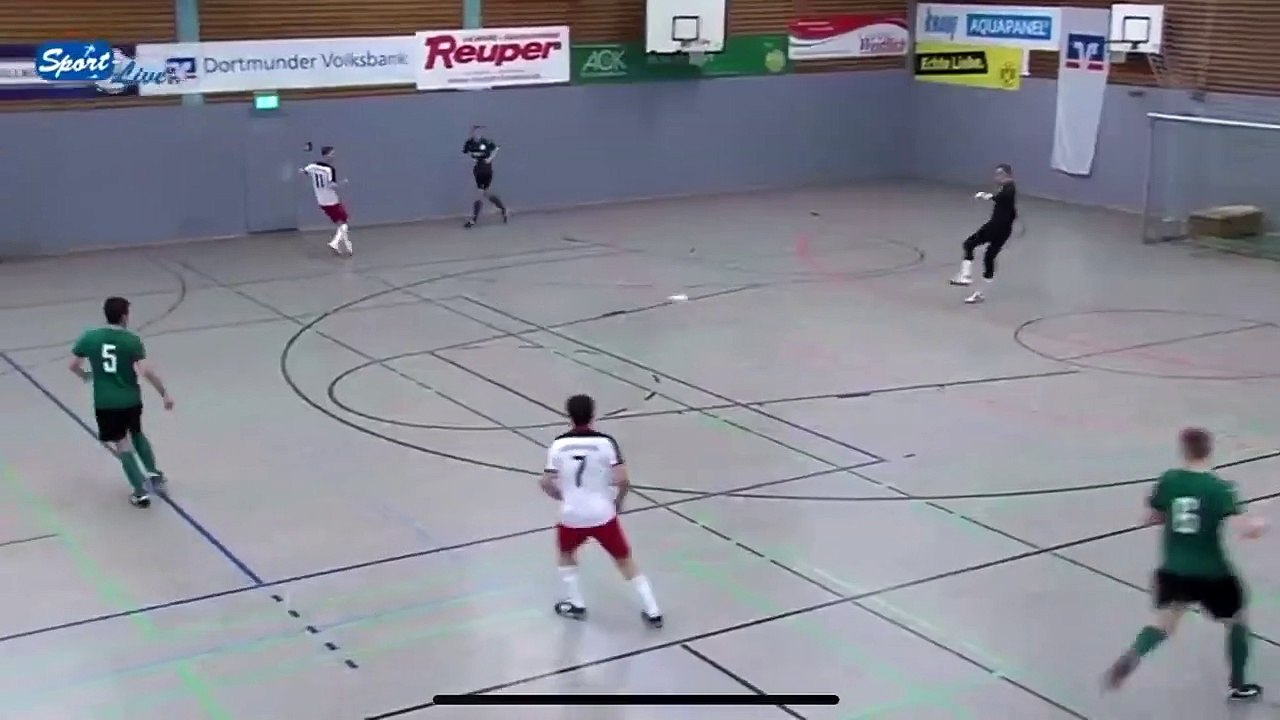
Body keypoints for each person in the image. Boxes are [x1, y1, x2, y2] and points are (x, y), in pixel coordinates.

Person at [1103, 427, 1265, 700]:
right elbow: (1245, 529)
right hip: (1213, 573)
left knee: (1163, 624)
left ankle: (1134, 654)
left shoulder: (1169, 480)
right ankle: (1239, 684)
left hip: (1173, 570)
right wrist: (1260, 524)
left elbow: (1150, 517)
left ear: (1183, 451)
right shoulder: (1220, 488)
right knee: (1238, 621)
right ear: (1210, 450)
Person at [541, 394, 662, 628]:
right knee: (624, 560)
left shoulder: (558, 445)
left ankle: (576, 603)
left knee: (566, 555)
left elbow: (545, 482)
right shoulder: (606, 443)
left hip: (572, 516)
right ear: (593, 415)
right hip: (602, 514)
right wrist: (619, 502)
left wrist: (562, 496)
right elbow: (623, 479)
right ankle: (653, 610)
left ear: (569, 416)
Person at [68, 297, 174, 508]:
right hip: (131, 399)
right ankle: (154, 474)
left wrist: (87, 375)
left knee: (122, 444)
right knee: (137, 433)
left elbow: (73, 365)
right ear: (124, 316)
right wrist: (164, 393)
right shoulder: (131, 340)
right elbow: (146, 371)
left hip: (106, 402)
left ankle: (139, 492)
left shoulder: (89, 338)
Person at [950, 163, 1017, 304]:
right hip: (1004, 230)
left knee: (969, 244)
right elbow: (1010, 210)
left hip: (995, 227)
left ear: (1006, 174)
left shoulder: (1009, 188)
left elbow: (1002, 198)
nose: (996, 177)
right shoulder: (1008, 189)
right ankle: (981, 293)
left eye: (999, 174)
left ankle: (966, 276)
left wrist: (986, 196)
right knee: (989, 258)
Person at [301, 145, 351, 256]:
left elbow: (302, 171)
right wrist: (343, 183)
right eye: (331, 154)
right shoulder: (329, 169)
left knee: (340, 223)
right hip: (332, 200)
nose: (333, 156)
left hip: (321, 201)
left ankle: (347, 247)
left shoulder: (312, 166)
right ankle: (335, 243)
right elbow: (332, 185)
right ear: (325, 155)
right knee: (345, 221)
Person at [462, 125, 508, 228]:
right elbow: (465, 153)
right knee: (486, 194)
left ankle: (473, 220)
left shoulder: (486, 142)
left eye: (479, 133)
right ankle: (502, 209)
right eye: (475, 132)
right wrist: (471, 159)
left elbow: (496, 148)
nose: (477, 135)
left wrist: (490, 159)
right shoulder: (469, 143)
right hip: (477, 170)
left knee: (479, 194)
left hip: (486, 170)